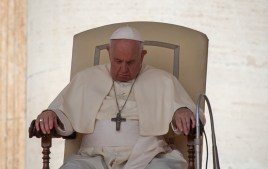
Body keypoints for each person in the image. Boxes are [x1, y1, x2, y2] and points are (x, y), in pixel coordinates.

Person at [35, 26, 205, 169]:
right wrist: (51, 114)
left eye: (130, 62)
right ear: (108, 52)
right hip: (92, 158)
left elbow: (188, 112)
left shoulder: (163, 80)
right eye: (117, 61)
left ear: (143, 55)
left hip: (150, 156)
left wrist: (181, 111)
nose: (123, 69)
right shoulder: (86, 78)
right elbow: (62, 111)